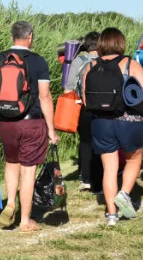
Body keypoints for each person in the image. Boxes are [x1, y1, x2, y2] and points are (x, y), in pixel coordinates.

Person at [82, 28, 143, 227]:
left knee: (109, 168)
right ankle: (124, 193)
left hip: (100, 123)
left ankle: (111, 215)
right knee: (134, 158)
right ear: (120, 43)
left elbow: (85, 98)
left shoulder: (90, 65)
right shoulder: (130, 64)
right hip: (128, 121)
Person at [0, 21, 58, 233]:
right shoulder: (38, 62)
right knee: (28, 170)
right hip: (31, 122)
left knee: (11, 163)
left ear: (12, 36)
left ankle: (11, 203)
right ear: (30, 36)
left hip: (6, 122)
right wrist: (51, 129)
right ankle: (25, 221)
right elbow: (45, 96)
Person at [64, 31, 101, 192]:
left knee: (85, 142)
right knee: (101, 143)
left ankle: (85, 179)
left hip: (83, 106)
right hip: (104, 108)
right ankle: (99, 178)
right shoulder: (105, 61)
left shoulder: (78, 60)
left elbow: (68, 87)